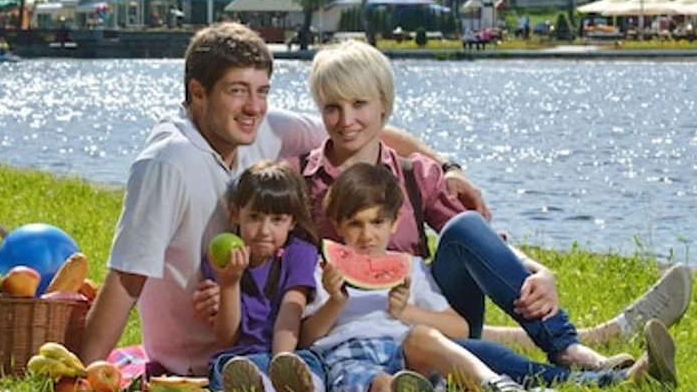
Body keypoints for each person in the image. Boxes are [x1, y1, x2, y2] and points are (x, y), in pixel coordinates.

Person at [80, 23, 489, 377]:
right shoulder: (167, 162)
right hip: (198, 358)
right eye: (238, 91)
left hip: (275, 332)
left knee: (451, 350)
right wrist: (83, 372)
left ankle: (520, 355)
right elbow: (127, 276)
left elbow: (362, 130)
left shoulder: (263, 128)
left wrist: (447, 166)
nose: (253, 107)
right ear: (198, 94)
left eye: (262, 91)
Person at [295, 39, 691, 371]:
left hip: (433, 311)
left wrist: (540, 270)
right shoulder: (302, 181)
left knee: (464, 225)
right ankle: (599, 358)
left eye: (359, 104)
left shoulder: (417, 175)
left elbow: (478, 240)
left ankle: (566, 346)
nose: (346, 120)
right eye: (332, 107)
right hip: (349, 323)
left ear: (384, 106)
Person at [308, 164, 677, 392]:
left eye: (376, 223)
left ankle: (615, 377)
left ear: (393, 224)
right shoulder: (323, 272)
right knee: (382, 382)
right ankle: (609, 382)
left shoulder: (412, 269)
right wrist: (334, 303)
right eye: (355, 224)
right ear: (337, 226)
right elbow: (305, 339)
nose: (367, 235)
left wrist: (407, 311)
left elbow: (462, 327)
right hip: (353, 357)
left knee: (490, 356)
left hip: (418, 349)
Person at [203, 161, 322, 392]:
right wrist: (229, 283)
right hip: (244, 356)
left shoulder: (300, 252)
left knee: (312, 366)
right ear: (236, 213)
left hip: (289, 351)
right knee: (230, 367)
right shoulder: (221, 257)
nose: (264, 231)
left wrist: (282, 363)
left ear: (292, 222)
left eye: (277, 220)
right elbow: (227, 338)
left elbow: (291, 313)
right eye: (254, 218)